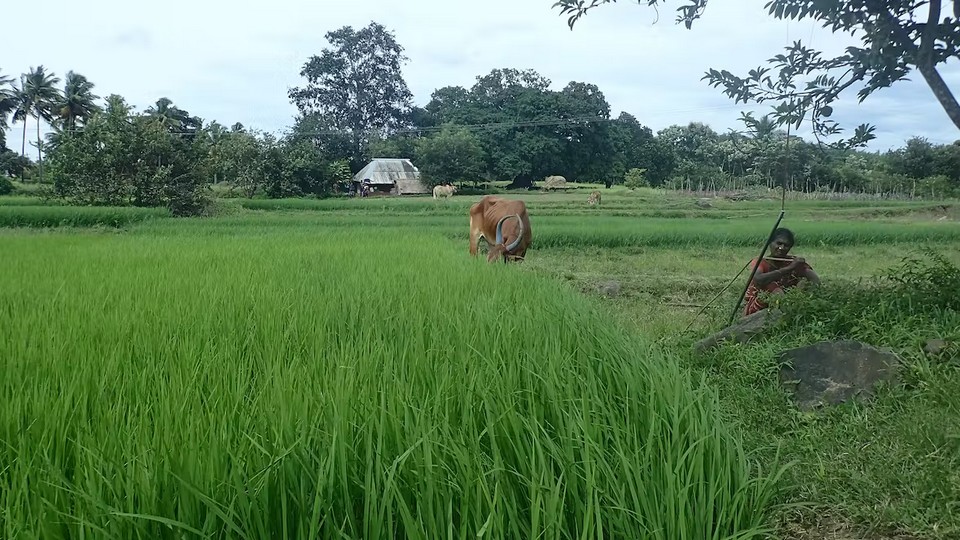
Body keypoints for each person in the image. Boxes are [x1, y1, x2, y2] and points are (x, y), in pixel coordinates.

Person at [743, 227, 820, 316]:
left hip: (788, 301)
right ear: (770, 243)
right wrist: (789, 268)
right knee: (771, 286)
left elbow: (813, 279)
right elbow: (758, 279)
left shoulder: (792, 261)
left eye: (786, 245)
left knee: (803, 280)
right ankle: (787, 311)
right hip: (760, 305)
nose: (781, 248)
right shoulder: (760, 262)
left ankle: (796, 308)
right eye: (779, 243)